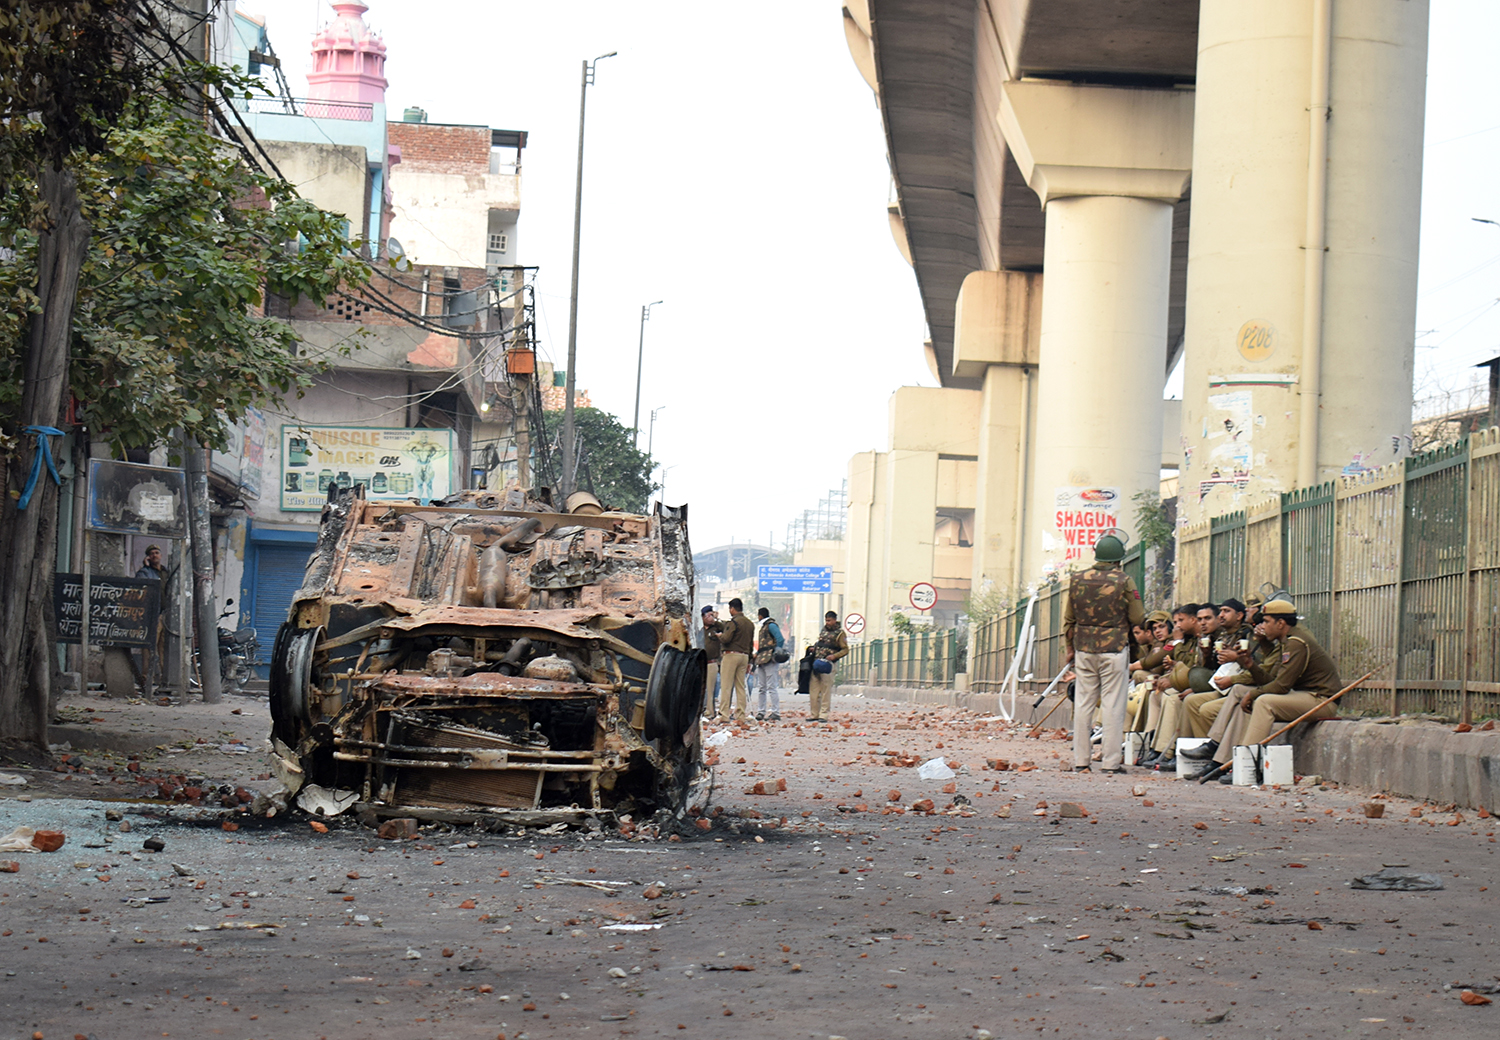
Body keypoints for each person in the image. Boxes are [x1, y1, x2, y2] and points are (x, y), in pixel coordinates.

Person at [1182, 598, 1342, 780]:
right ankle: (1218, 758)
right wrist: (1250, 664)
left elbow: (1281, 686)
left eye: (1266, 621)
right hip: (1302, 695)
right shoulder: (1284, 641)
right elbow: (1270, 678)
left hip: (1321, 699)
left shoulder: (1296, 642)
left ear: (1281, 623)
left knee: (1264, 701)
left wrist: (1254, 693)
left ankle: (1246, 764)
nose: (1262, 626)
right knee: (1240, 690)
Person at [1061, 533, 1144, 774]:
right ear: (1119, 557)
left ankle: (1081, 761)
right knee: (1112, 705)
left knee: (1084, 703)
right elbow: (1138, 617)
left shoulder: (1077, 580)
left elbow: (1069, 620)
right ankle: (1110, 763)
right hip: (1115, 648)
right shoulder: (1124, 581)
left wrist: (1069, 649)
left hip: (1084, 648)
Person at [712, 598, 754, 720]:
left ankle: (724, 714)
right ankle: (740, 714)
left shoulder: (733, 623)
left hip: (731, 656)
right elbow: (751, 644)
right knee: (741, 686)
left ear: (732, 608)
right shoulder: (749, 624)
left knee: (726, 685)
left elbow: (726, 639)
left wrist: (720, 636)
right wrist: (750, 660)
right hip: (744, 656)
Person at [133, 545, 166, 693]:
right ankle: (146, 680)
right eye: (151, 554)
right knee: (148, 649)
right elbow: (140, 587)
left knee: (164, 649)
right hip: (151, 615)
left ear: (160, 555)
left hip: (165, 615)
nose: (154, 556)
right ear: (148, 557)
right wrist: (144, 567)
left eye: (156, 553)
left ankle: (165, 681)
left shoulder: (166, 572)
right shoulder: (145, 573)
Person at [808, 610, 849, 723]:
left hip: (828, 666)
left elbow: (845, 649)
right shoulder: (823, 630)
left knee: (825, 691)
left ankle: (823, 715)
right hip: (817, 664)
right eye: (826, 620)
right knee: (814, 691)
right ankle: (814, 714)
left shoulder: (840, 633)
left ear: (835, 620)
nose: (827, 623)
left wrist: (834, 656)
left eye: (829, 620)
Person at [752, 606, 785, 721]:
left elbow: (780, 639)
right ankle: (761, 711)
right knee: (761, 687)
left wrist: (776, 652)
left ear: (760, 615)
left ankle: (775, 712)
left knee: (771, 687)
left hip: (770, 659)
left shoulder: (771, 625)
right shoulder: (764, 627)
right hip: (762, 659)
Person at [700, 605, 721, 718]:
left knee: (710, 688)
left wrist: (716, 620)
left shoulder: (716, 628)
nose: (711, 618)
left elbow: (726, 627)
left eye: (712, 615)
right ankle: (702, 710)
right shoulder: (699, 630)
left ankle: (710, 712)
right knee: (701, 688)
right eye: (709, 616)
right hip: (700, 662)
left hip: (712, 662)